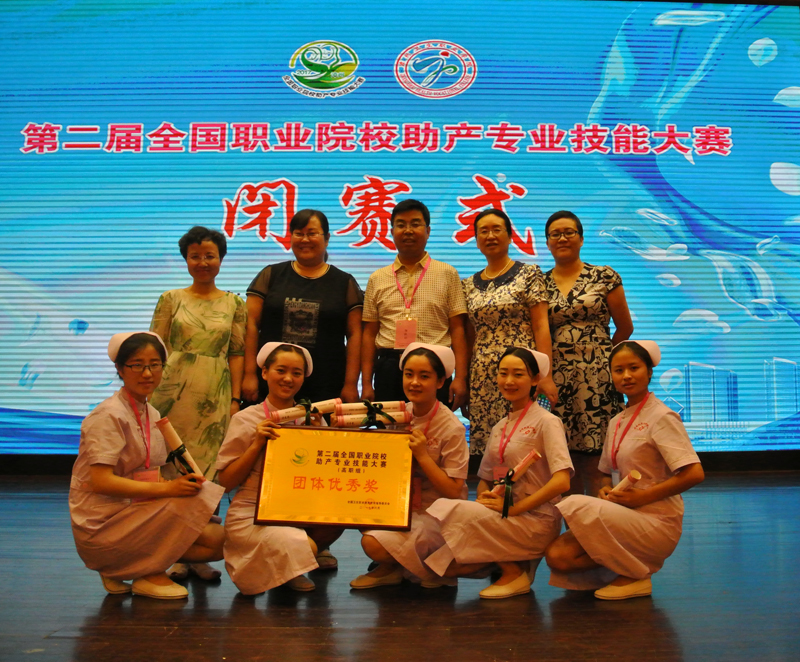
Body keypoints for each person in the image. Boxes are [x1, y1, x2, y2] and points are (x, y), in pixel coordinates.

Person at [69, 332, 225, 600]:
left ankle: (127, 567)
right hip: (104, 522)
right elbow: (101, 482)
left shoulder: (150, 412)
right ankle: (143, 570)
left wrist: (175, 487)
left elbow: (146, 472)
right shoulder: (107, 415)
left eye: (155, 365)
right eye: (137, 365)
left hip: (136, 509)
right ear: (120, 369)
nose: (147, 373)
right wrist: (169, 490)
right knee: (209, 533)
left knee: (218, 540)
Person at [545, 340, 705, 600]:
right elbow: (605, 472)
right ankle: (625, 570)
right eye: (619, 370)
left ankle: (636, 575)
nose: (626, 376)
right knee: (558, 556)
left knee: (573, 502)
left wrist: (643, 497)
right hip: (624, 512)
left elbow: (694, 473)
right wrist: (605, 489)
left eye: (634, 368)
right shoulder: (617, 420)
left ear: (649, 372)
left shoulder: (662, 417)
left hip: (656, 519)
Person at [424, 348, 573, 599]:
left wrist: (515, 508)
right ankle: (511, 562)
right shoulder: (500, 427)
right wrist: (486, 498)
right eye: (503, 373)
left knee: (452, 509)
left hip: (536, 517)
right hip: (505, 513)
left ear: (535, 380)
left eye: (518, 374)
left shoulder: (547, 422)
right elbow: (488, 479)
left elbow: (562, 482)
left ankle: (514, 571)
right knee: (440, 569)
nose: (509, 381)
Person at [216, 342, 343, 594]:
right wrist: (256, 444)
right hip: (253, 508)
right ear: (264, 372)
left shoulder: (311, 418)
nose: (288, 379)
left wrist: (321, 437)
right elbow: (226, 482)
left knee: (337, 519)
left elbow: (328, 476)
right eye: (281, 370)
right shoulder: (246, 419)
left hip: (297, 505)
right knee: (307, 546)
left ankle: (288, 569)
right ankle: (283, 569)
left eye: (296, 373)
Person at [350, 343, 469, 590]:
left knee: (373, 544)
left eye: (424, 376)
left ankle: (425, 565)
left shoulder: (452, 427)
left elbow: (454, 491)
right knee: (355, 506)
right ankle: (395, 567)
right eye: (409, 374)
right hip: (400, 504)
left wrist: (423, 457)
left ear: (440, 382)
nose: (414, 382)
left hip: (436, 512)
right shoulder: (397, 414)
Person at [544, 210, 633, 497]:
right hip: (557, 379)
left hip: (598, 380)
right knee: (564, 463)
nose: (562, 238)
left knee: (597, 463)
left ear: (581, 239)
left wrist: (603, 358)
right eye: (555, 234)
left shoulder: (604, 276)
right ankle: (571, 524)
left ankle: (599, 523)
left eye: (569, 232)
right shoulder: (539, 283)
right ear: (547, 242)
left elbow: (625, 328)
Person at [242, 209, 363, 406]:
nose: (305, 239)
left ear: (327, 238)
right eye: (298, 234)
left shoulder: (344, 282)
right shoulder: (271, 275)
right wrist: (249, 374)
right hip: (272, 381)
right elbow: (251, 325)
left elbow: (355, 335)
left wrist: (351, 384)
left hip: (326, 383)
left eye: (312, 233)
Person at [463, 209, 557, 455]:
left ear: (509, 236)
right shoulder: (467, 285)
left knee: (523, 444)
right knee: (490, 450)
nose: (490, 236)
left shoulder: (530, 273)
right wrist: (465, 380)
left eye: (497, 229)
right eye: (483, 231)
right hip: (483, 378)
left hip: (521, 374)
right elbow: (469, 336)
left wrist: (545, 375)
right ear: (476, 240)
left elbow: (541, 326)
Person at [361, 199, 468, 410]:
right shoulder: (377, 278)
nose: (408, 230)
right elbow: (369, 334)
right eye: (401, 225)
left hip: (434, 366)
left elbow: (457, 329)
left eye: (415, 224)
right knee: (389, 428)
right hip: (389, 369)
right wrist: (365, 383)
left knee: (434, 429)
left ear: (428, 231)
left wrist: (460, 378)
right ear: (392, 231)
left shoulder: (447, 274)